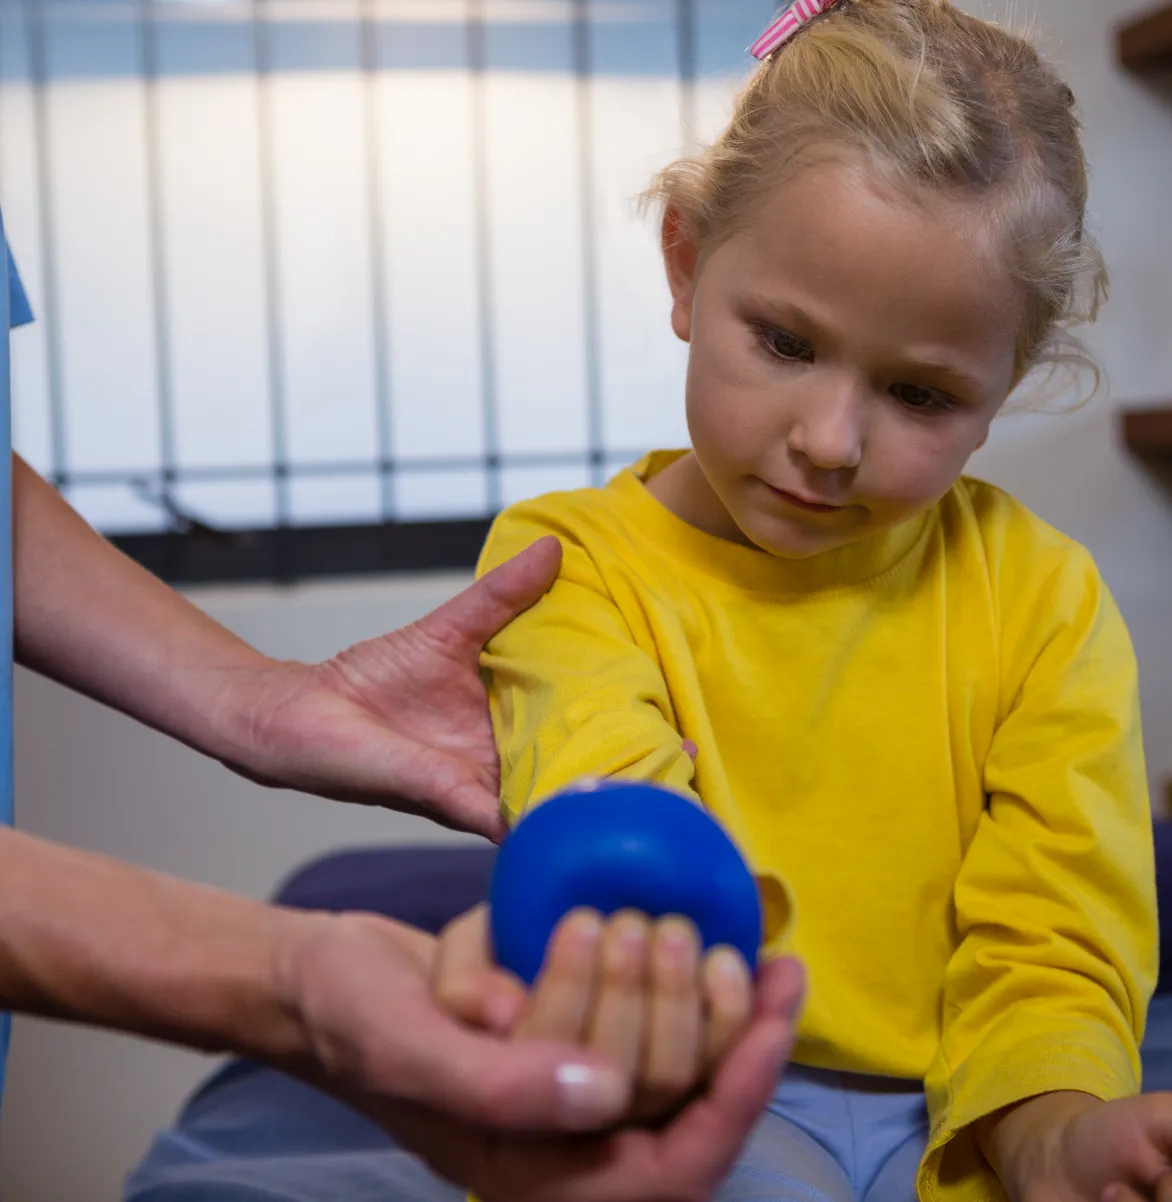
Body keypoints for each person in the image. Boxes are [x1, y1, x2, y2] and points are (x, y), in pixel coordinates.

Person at [432, 0, 1172, 1199]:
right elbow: (620, 839)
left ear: (1005, 382)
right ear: (683, 262)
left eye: (920, 395)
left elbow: (1056, 925)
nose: (829, 442)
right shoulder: (564, 564)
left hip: (972, 1104)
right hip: (686, 1068)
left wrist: (1046, 1128)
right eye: (783, 342)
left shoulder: (1045, 597)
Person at [0, 225, 805, 1201]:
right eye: (784, 343)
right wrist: (294, 979)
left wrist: (255, 699)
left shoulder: (1018, 583)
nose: (828, 442)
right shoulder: (576, 548)